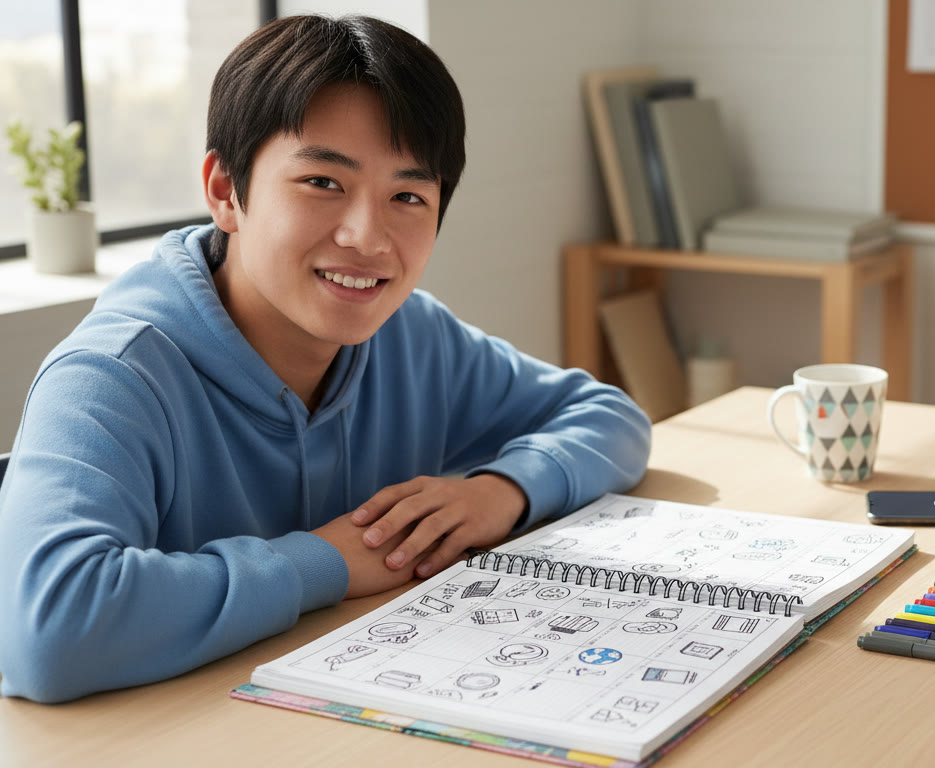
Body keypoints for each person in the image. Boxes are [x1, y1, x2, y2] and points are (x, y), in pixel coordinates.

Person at [0, 14, 651, 703]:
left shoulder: (412, 338)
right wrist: (329, 562)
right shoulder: (113, 377)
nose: (366, 238)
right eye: (322, 183)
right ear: (226, 191)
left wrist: (500, 495)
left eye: (407, 196)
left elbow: (611, 415)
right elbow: (48, 632)